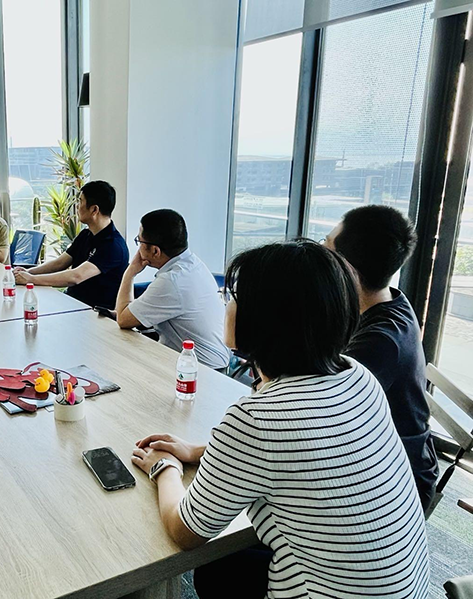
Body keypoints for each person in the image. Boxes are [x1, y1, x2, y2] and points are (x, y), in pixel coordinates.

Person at [131, 239, 429, 598]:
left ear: (263, 319)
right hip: (406, 589)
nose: (227, 304)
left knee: (214, 567)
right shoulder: (356, 375)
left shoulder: (256, 420)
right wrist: (198, 451)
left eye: (234, 296)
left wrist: (164, 467)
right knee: (222, 568)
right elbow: (299, 444)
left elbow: (185, 531)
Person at [325, 205, 438, 512]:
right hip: (377, 454)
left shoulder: (379, 341)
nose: (321, 253)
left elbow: (319, 414)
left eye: (327, 246)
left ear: (347, 268)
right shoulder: (387, 301)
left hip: (395, 481)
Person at [113, 209, 230, 369]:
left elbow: (123, 320)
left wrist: (130, 272)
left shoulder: (172, 281)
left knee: (120, 361)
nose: (138, 248)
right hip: (212, 362)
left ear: (155, 251)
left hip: (199, 370)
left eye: (139, 241)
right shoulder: (193, 264)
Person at [14, 180, 128, 308]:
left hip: (93, 311)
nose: (77, 207)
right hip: (72, 302)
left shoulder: (113, 245)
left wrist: (31, 279)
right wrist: (29, 272)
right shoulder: (86, 234)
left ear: (94, 209)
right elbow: (60, 263)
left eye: (80, 201)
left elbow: (76, 276)